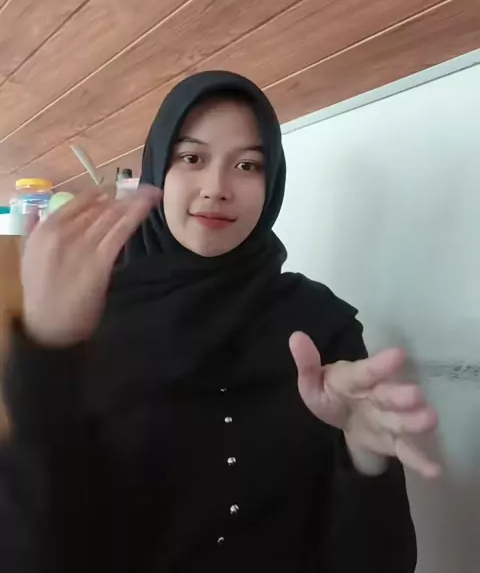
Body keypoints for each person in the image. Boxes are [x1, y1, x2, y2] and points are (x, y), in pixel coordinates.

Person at [0, 70, 440, 572]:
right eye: (192, 158)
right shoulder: (86, 318)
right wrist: (46, 352)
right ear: (157, 171)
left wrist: (364, 456)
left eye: (247, 165)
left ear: (272, 184)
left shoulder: (320, 325)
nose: (216, 188)